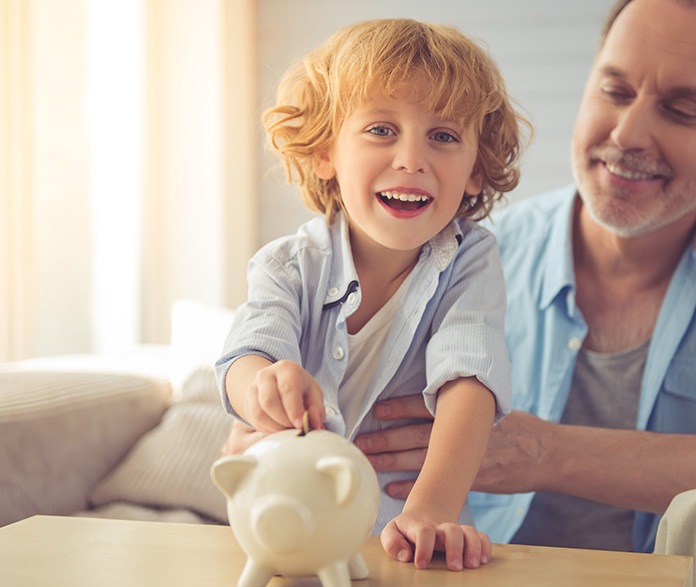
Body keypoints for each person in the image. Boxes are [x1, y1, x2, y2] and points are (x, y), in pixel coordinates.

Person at [345, 0, 696, 554]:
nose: (628, 134)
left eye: (683, 110)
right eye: (615, 91)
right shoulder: (458, 260)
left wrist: (552, 453)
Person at [215, 18, 528, 571]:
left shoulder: (471, 261)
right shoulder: (287, 265)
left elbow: (469, 382)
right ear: (325, 153)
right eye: (382, 130)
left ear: (476, 171)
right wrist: (263, 385)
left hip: (411, 543)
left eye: (444, 135)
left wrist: (431, 509)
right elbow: (245, 355)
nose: (411, 158)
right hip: (293, 532)